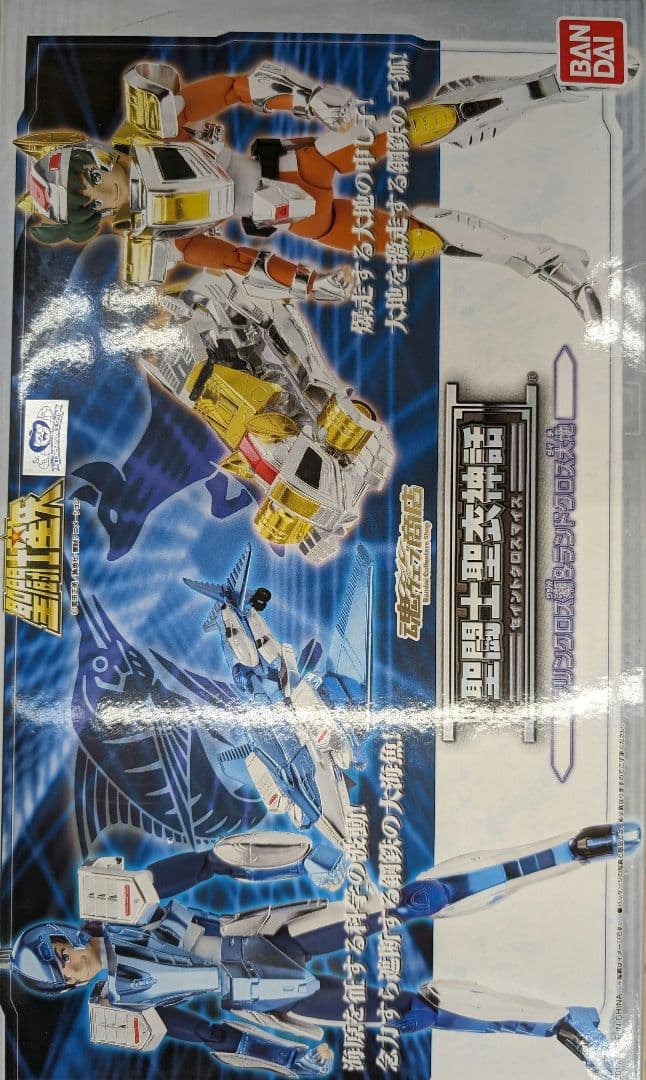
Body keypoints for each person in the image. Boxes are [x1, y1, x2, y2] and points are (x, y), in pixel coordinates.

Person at [15, 55, 638, 318]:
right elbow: (238, 260)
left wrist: (308, 99)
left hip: (298, 163)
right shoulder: (155, 241)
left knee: (407, 130)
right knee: (416, 241)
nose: (101, 189)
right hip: (294, 216)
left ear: (93, 155)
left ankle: (547, 84)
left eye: (89, 175)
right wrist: (309, 284)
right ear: (86, 218)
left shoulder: (156, 123)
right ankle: (542, 258)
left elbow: (238, 88)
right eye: (87, 200)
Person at [11, 821, 639, 1076]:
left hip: (264, 934)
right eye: (61, 969)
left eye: (59, 949)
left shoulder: (122, 904)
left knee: (410, 903)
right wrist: (284, 1058)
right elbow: (207, 1034)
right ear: (65, 986)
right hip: (264, 997)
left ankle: (567, 851)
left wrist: (302, 857)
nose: (70, 960)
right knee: (410, 1015)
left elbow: (212, 862)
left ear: (64, 934)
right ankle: (560, 1024)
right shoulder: (119, 1006)